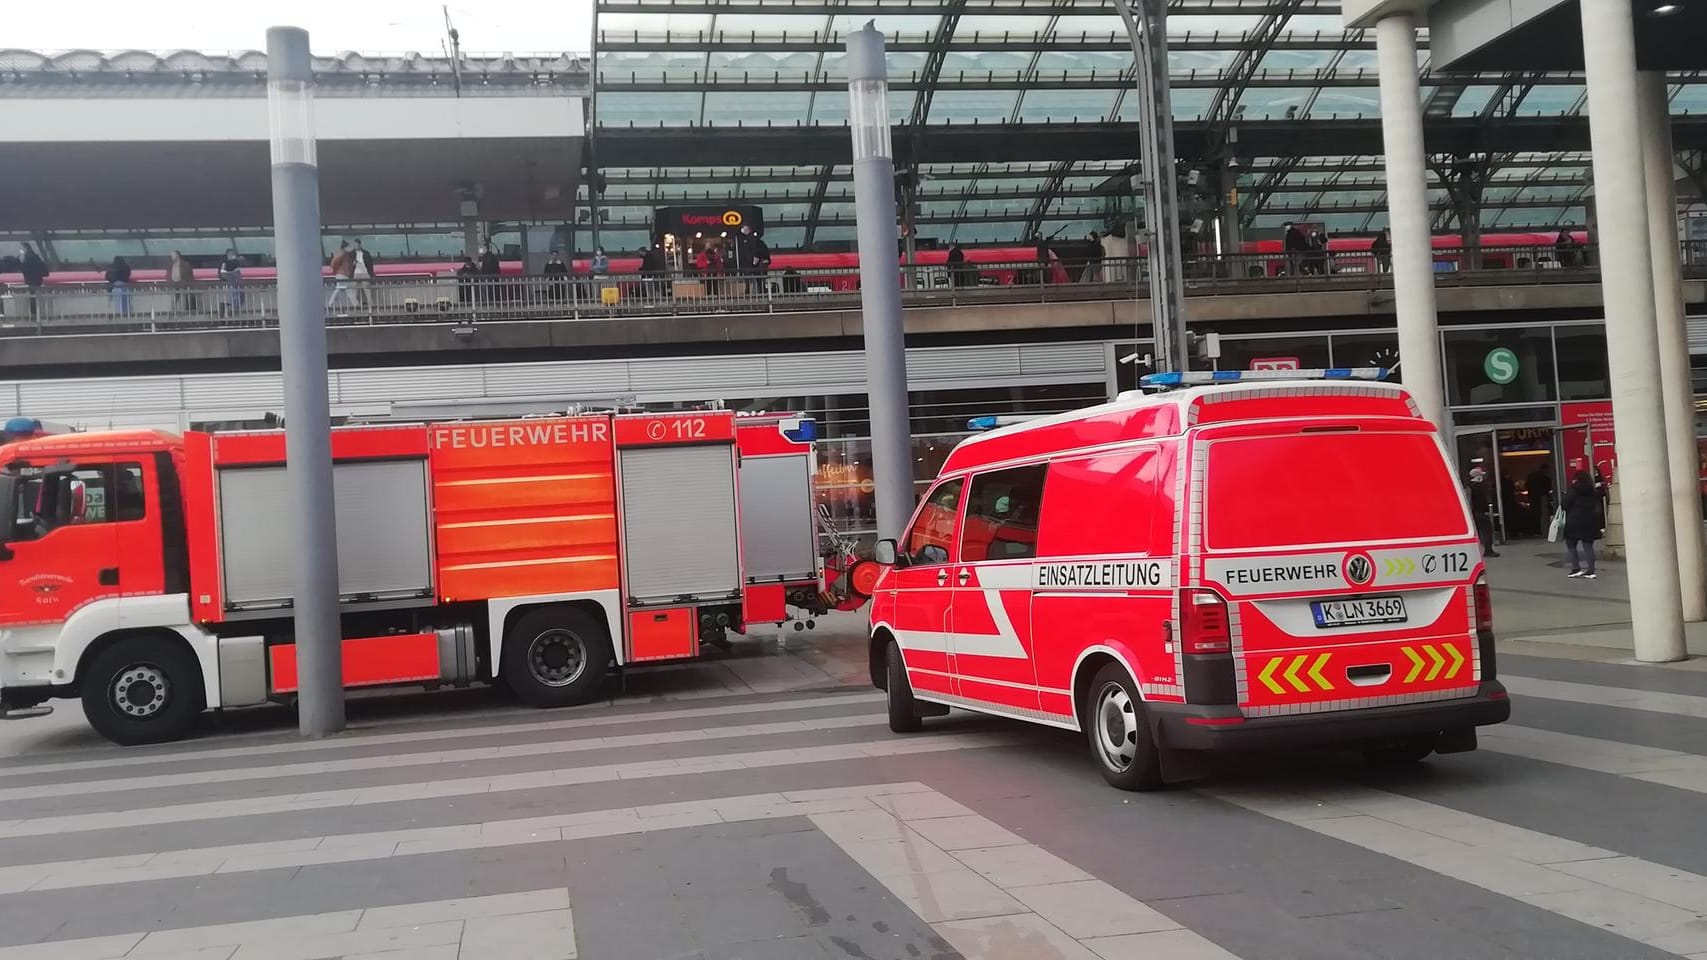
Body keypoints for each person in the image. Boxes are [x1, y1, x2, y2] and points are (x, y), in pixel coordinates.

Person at [1561, 471, 1603, 579]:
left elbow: (1564, 504)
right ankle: (1591, 571)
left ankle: (1576, 569)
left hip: (1574, 521)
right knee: (1588, 546)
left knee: (1571, 545)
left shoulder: (1573, 489)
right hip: (1590, 520)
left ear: (1576, 479)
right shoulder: (1592, 490)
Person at [1467, 466, 1500, 557]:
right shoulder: (1480, 487)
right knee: (1487, 531)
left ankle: (1473, 552)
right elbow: (1483, 500)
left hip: (1473, 513)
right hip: (1481, 512)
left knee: (1476, 532)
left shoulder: (1469, 486)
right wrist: (1487, 510)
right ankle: (1488, 550)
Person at [19, 244, 47, 322]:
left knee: (33, 297)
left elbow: (23, 268)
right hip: (38, 280)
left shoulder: (28, 257)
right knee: (36, 297)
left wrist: (19, 259)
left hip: (32, 280)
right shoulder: (35, 256)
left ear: (25, 248)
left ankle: (34, 315)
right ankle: (38, 314)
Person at [327, 241, 355, 315]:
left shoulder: (344, 254)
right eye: (348, 246)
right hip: (342, 274)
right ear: (345, 247)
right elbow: (334, 263)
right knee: (347, 290)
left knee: (341, 289)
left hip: (343, 274)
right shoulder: (342, 253)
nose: (350, 248)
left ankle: (331, 303)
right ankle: (355, 305)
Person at [348, 238, 376, 311]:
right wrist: (352, 264)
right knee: (354, 292)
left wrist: (371, 275)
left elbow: (370, 265)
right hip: (355, 274)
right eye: (354, 245)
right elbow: (348, 265)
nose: (355, 246)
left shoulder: (366, 253)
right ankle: (357, 307)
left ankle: (370, 309)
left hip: (364, 273)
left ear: (360, 245)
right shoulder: (351, 254)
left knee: (367, 292)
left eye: (356, 244)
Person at [217, 248, 244, 317]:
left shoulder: (235, 262)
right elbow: (221, 273)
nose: (233, 256)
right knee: (228, 300)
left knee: (230, 300)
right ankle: (225, 316)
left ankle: (229, 315)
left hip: (230, 285)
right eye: (231, 254)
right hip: (228, 284)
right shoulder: (224, 262)